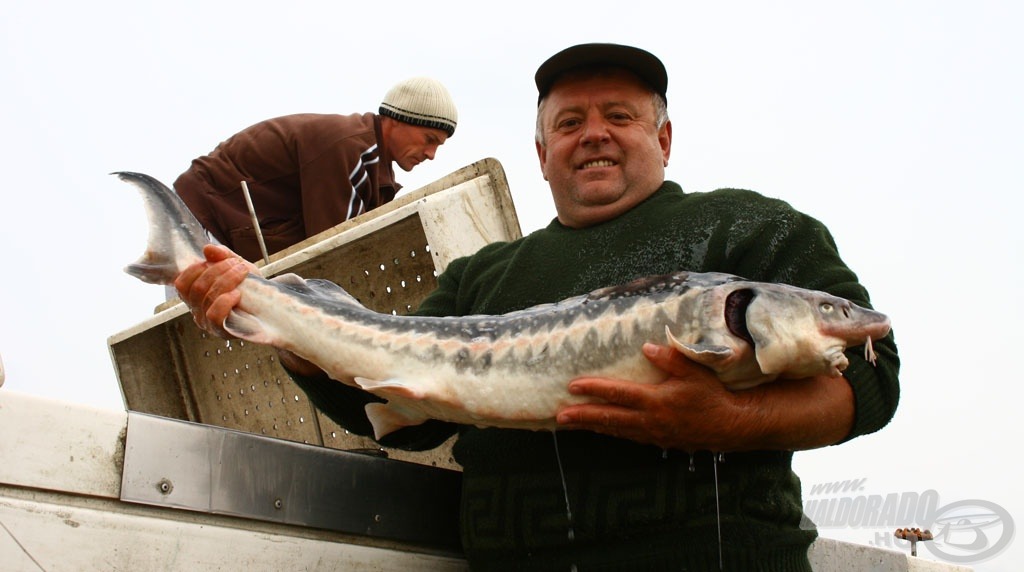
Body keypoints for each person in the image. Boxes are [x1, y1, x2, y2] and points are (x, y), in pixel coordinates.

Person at [176, 43, 900, 571]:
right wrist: (284, 326)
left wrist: (731, 422)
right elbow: (404, 420)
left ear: (664, 137)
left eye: (619, 115)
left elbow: (875, 380)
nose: (594, 133)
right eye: (569, 122)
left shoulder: (750, 228)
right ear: (541, 149)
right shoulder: (483, 276)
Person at [173, 76, 458, 262]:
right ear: (396, 120)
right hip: (202, 220)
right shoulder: (352, 151)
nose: (431, 155)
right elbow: (331, 251)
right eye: (428, 140)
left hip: (219, 228)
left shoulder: (371, 164)